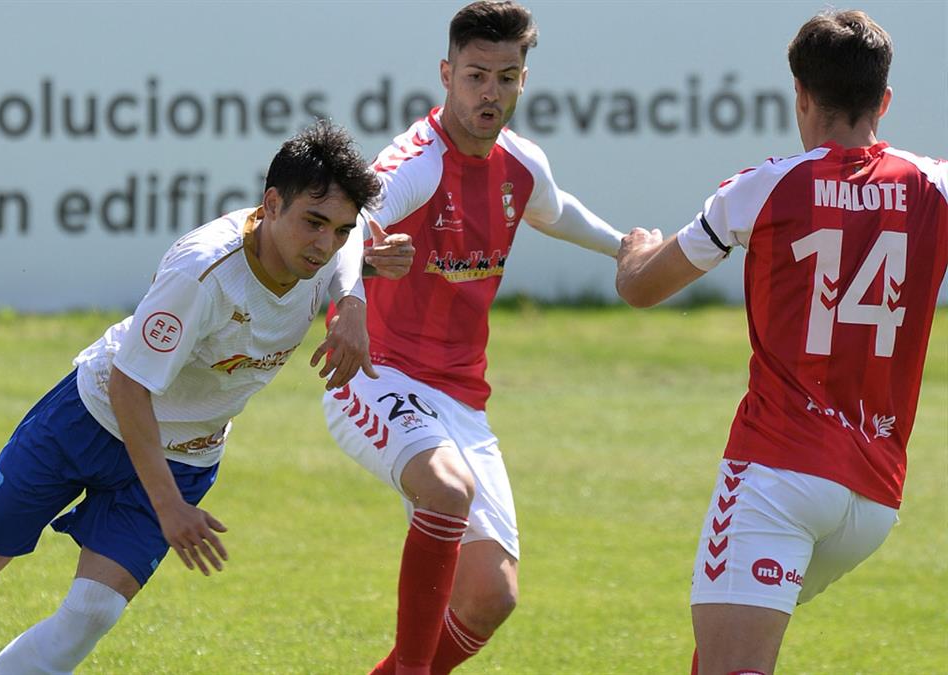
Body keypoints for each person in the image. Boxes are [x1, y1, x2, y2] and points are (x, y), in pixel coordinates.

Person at [0, 120, 415, 673]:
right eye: (312, 223)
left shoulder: (332, 241)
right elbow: (129, 385)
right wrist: (169, 508)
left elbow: (355, 232)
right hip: (91, 418)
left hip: (187, 453)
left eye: (335, 229)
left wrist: (353, 303)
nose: (324, 243)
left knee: (92, 612)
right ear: (270, 203)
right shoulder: (201, 274)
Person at [614, 10, 947, 675]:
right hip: (873, 498)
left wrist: (634, 254)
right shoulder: (934, 185)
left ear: (800, 94)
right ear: (883, 101)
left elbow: (643, 288)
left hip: (779, 474)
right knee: (721, 655)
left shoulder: (763, 187)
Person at [321, 3, 624, 672]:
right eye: (477, 76)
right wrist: (352, 291)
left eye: (507, 78)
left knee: (492, 593)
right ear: (446, 74)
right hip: (377, 374)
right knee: (447, 492)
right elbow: (348, 224)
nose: (491, 93)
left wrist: (623, 246)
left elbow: (555, 210)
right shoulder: (418, 162)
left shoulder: (521, 164)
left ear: (524, 81)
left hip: (461, 400)